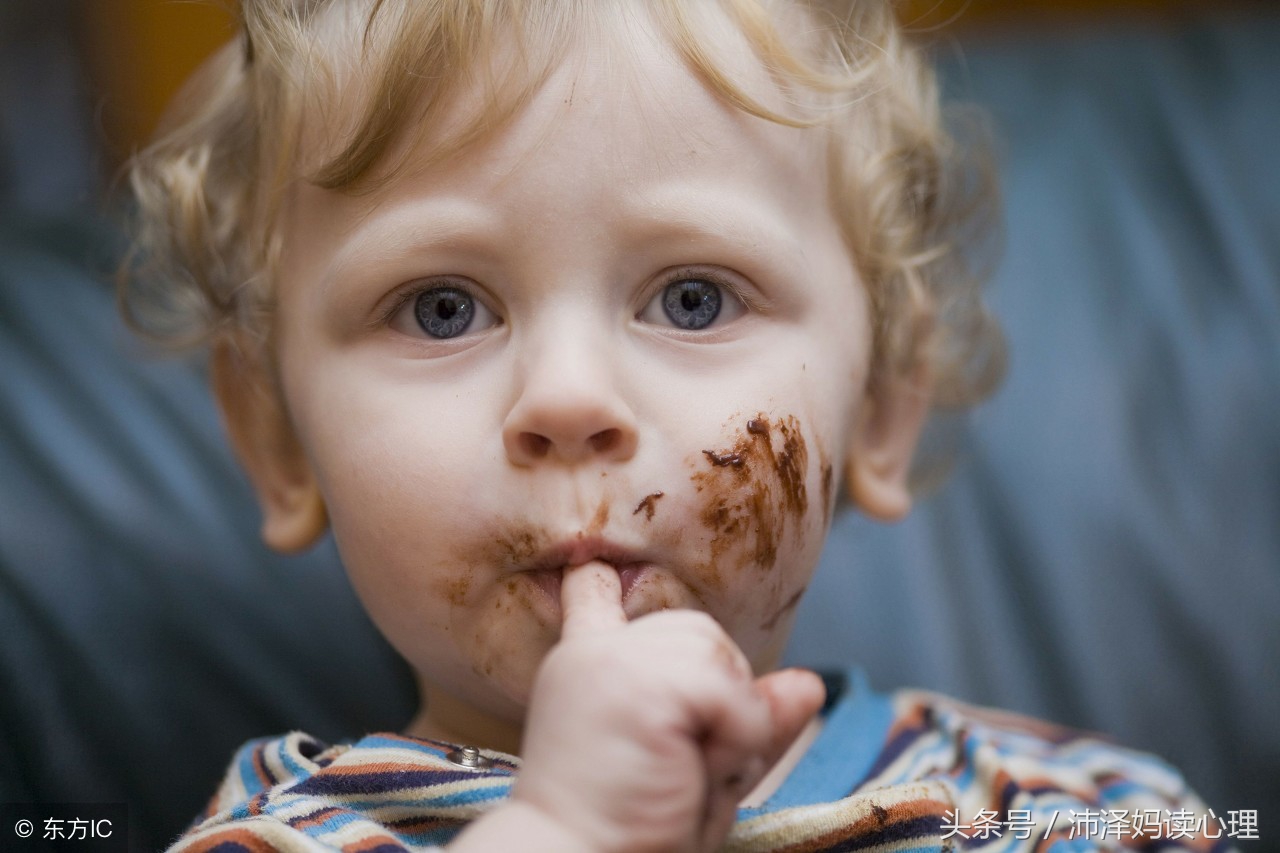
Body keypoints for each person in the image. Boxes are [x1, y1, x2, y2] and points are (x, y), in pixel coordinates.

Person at [123, 1, 1232, 850]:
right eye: (440, 308)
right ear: (274, 438)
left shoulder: (1072, 806)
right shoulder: (289, 830)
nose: (566, 401)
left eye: (691, 298)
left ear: (887, 398)